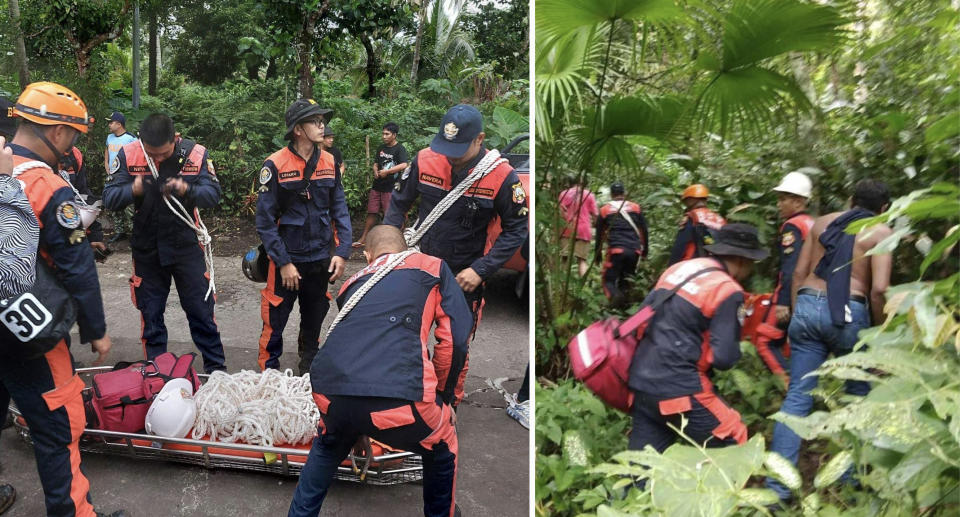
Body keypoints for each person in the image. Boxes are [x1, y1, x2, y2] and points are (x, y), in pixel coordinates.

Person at [289, 225, 471, 517]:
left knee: (327, 445)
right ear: (406, 246)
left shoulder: (353, 284)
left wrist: (358, 426)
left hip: (329, 391)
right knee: (442, 442)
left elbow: (354, 350)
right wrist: (445, 398)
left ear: (368, 254)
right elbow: (455, 341)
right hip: (402, 398)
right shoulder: (433, 267)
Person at [0, 82, 122, 517]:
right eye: (72, 136)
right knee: (60, 424)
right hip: (30, 331)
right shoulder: (46, 186)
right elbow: (76, 267)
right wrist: (97, 331)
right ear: (56, 133)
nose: (71, 146)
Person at [384, 104, 528, 404]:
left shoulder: (502, 176)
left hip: (465, 275)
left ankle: (445, 405)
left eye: (459, 149)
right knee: (405, 337)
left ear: (480, 139)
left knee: (454, 348)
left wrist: (482, 269)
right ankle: (410, 401)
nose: (450, 155)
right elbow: (398, 204)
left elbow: (516, 229)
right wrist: (389, 247)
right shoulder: (425, 159)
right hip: (420, 265)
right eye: (446, 146)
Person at [765, 179, 892, 504]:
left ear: (850, 201)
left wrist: (797, 315)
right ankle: (851, 487)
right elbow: (878, 290)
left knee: (797, 398)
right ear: (884, 209)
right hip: (851, 312)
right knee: (858, 397)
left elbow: (798, 273)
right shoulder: (881, 233)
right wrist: (878, 334)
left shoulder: (821, 223)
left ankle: (777, 491)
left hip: (807, 303)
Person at [628, 223, 768, 457]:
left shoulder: (679, 269)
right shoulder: (726, 289)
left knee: (641, 470)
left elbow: (640, 318)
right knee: (735, 443)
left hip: (641, 382)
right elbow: (724, 358)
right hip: (679, 390)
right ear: (744, 261)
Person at [102, 113, 227, 373]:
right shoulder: (129, 153)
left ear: (176, 139)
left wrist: (187, 189)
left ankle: (217, 371)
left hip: (186, 246)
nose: (157, 160)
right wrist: (132, 189)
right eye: (152, 154)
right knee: (151, 315)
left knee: (201, 312)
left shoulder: (195, 154)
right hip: (147, 248)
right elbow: (110, 196)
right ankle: (156, 373)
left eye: (164, 154)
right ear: (142, 142)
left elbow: (213, 194)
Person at [255, 99, 351, 374]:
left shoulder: (330, 161)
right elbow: (264, 220)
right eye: (315, 122)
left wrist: (342, 252)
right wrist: (283, 262)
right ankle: (268, 376)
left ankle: (308, 370)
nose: (322, 126)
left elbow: (339, 208)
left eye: (323, 120)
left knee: (314, 317)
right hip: (287, 259)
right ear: (298, 129)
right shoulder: (274, 165)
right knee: (275, 320)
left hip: (320, 258)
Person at [752, 172, 815, 382]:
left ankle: (789, 388)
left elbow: (792, 266)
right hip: (814, 294)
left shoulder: (793, 226)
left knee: (764, 340)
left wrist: (784, 302)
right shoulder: (812, 224)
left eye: (783, 199)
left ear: (798, 202)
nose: (779, 204)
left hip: (794, 294)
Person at [355, 122, 409, 248]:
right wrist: (375, 170)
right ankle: (364, 238)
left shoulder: (400, 149)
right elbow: (375, 163)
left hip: (391, 187)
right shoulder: (381, 148)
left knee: (390, 213)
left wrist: (387, 171)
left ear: (394, 135)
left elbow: (404, 165)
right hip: (377, 186)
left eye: (387, 134)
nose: (384, 136)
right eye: (383, 133)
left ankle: (398, 240)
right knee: (371, 211)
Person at [595, 181, 648, 308]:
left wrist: (597, 254)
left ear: (612, 194)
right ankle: (624, 308)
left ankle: (614, 301)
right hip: (634, 251)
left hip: (616, 250)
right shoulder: (636, 207)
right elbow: (644, 230)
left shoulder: (604, 210)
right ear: (623, 193)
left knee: (608, 281)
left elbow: (599, 234)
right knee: (626, 280)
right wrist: (645, 250)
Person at [59, 144, 107, 260]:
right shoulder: (34, 160)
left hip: (72, 223)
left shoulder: (75, 154)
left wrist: (95, 236)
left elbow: (83, 196)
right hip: (44, 234)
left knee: (75, 253)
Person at [668, 184, 726, 265]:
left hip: (693, 264)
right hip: (718, 263)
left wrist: (671, 266)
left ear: (691, 200)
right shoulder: (719, 218)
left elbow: (680, 245)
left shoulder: (692, 217)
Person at [103, 111, 136, 243]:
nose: (109, 125)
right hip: (113, 177)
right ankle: (119, 231)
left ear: (119, 123)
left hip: (127, 177)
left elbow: (137, 157)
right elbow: (107, 155)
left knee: (130, 207)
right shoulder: (109, 138)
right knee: (114, 204)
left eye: (111, 122)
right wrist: (108, 170)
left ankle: (134, 233)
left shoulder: (131, 139)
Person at [558, 175, 598, 277]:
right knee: (582, 261)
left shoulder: (564, 193)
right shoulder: (589, 194)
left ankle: (562, 288)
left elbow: (561, 212)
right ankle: (582, 288)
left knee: (565, 259)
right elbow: (595, 215)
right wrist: (596, 227)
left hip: (567, 229)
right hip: (584, 230)